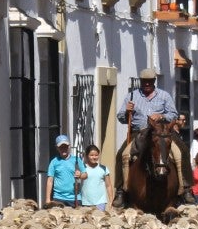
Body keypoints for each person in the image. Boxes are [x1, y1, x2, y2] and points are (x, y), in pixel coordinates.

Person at [114, 68, 189, 206]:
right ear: (141, 82)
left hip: (161, 132)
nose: (147, 84)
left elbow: (173, 114)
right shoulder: (132, 96)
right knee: (122, 155)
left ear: (154, 81)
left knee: (181, 151)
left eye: (149, 81)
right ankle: (120, 190)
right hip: (140, 132)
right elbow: (121, 117)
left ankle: (186, 187)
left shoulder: (164, 96)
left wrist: (161, 116)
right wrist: (127, 112)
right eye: (144, 81)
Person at [45, 134, 81, 207]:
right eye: (61, 147)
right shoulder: (54, 162)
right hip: (59, 198)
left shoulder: (77, 160)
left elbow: (85, 175)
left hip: (75, 198)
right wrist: (47, 199)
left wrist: (80, 175)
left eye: (65, 146)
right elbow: (50, 180)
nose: (63, 149)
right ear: (57, 148)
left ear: (69, 146)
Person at [78, 144, 113, 210]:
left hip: (100, 202)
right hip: (86, 202)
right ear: (87, 156)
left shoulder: (104, 169)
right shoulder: (82, 168)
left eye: (96, 155)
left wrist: (111, 200)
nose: (94, 157)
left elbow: (108, 185)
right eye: (91, 155)